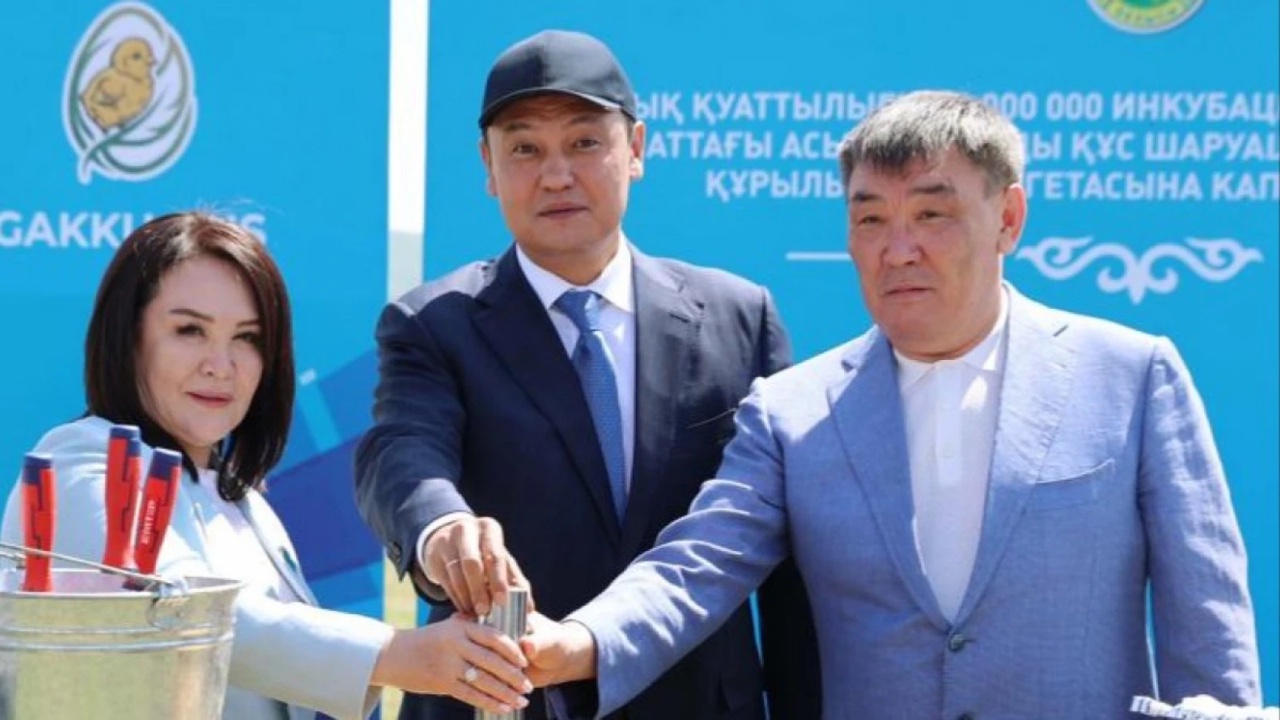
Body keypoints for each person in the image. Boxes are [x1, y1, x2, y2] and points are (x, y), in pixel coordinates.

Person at [519, 90, 1263, 719]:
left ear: (1008, 219)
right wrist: (577, 643)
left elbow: (1208, 624)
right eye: (871, 218)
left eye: (932, 215)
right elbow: (697, 565)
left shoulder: (1131, 376)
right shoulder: (792, 411)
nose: (897, 249)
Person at [353, 29, 818, 720]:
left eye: (584, 142)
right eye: (525, 149)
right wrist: (442, 527)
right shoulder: (433, 325)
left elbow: (785, 557)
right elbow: (403, 451)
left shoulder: (738, 317)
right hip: (503, 700)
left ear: (636, 149)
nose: (556, 175)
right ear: (488, 166)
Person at [0, 212, 532, 720]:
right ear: (128, 339)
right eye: (190, 330)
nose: (220, 364)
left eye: (248, 338)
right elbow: (180, 611)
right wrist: (400, 655)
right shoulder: (81, 459)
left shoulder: (245, 501)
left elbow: (282, 664)